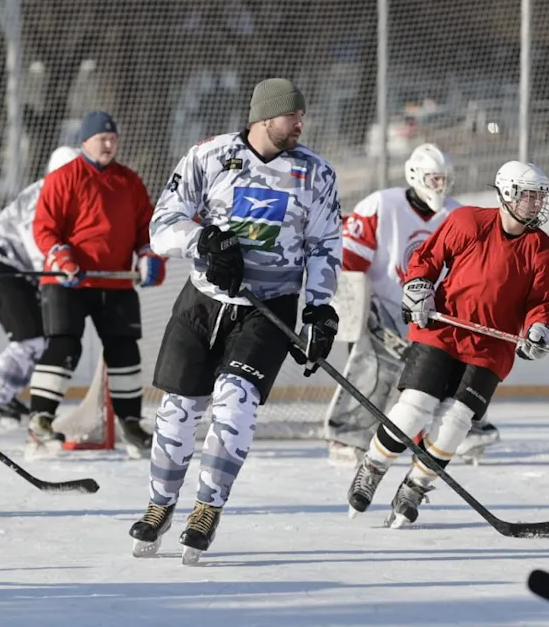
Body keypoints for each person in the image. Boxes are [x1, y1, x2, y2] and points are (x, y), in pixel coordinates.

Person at [130, 78, 342, 563]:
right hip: (203, 302)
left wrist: (319, 308)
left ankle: (207, 507)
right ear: (265, 117)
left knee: (235, 406)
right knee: (177, 412)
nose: (300, 124)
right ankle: (159, 506)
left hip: (269, 308)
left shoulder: (315, 173)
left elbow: (326, 243)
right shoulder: (209, 156)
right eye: (293, 116)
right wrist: (202, 241)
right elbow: (163, 223)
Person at [346, 160, 549, 528]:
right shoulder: (468, 222)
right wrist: (418, 287)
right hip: (443, 331)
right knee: (414, 408)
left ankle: (415, 485)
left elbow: (545, 305)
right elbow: (427, 259)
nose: (536, 204)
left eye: (540, 196)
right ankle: (373, 465)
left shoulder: (546, 253)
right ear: (508, 193)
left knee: (456, 422)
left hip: (491, 348)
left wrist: (539, 330)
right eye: (529, 196)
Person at [324, 143, 499, 466]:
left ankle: (460, 429)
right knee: (373, 370)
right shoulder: (381, 204)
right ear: (415, 175)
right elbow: (349, 260)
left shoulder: (458, 215)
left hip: (436, 315)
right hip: (385, 309)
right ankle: (347, 435)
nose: (440, 186)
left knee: (456, 366)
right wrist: (352, 312)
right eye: (434, 179)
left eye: (444, 179)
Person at [27, 112, 165, 458]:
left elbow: (143, 230)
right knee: (64, 345)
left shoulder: (129, 181)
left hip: (115, 281)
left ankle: (131, 423)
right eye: (102, 138)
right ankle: (40, 422)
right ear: (85, 141)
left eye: (113, 138)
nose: (109, 144)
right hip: (68, 282)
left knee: (124, 349)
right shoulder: (63, 178)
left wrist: (148, 256)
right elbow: (45, 228)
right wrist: (63, 259)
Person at [0, 146, 81, 427]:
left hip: (15, 271)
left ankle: (2, 396)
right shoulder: (39, 200)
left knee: (38, 340)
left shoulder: (70, 197)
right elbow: (41, 257)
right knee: (29, 339)